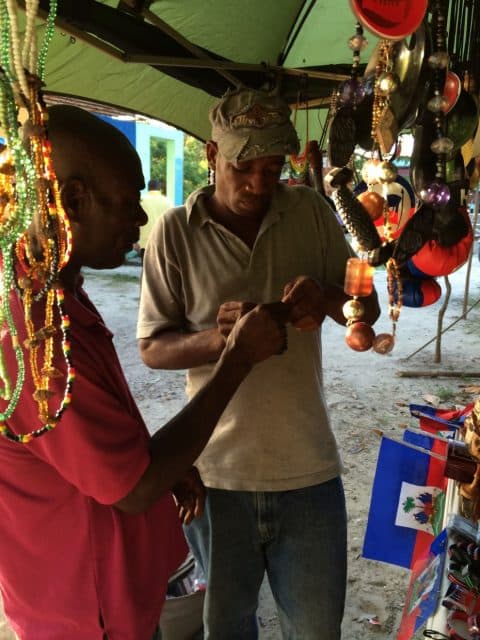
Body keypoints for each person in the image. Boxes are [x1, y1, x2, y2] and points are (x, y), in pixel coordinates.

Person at [0, 105, 289, 640]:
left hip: (107, 596)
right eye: (130, 200)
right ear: (75, 201)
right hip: (86, 616)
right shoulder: (31, 332)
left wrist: (161, 461)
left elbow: (100, 450)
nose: (139, 220)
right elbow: (131, 488)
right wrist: (237, 361)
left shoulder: (57, 292)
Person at [137, 87, 381, 639]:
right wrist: (220, 341)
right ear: (211, 154)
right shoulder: (175, 232)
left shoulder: (311, 213)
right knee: (225, 629)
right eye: (243, 166)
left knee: (317, 631)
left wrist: (329, 299)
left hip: (309, 472)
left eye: (271, 168)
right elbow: (152, 347)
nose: (257, 184)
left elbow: (365, 308)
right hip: (217, 477)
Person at [136, 178, 172, 258]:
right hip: (163, 242)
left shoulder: (141, 201)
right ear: (159, 188)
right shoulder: (168, 202)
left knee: (146, 268)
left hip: (145, 243)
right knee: (161, 269)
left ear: (148, 188)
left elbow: (135, 221)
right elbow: (172, 224)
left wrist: (135, 241)